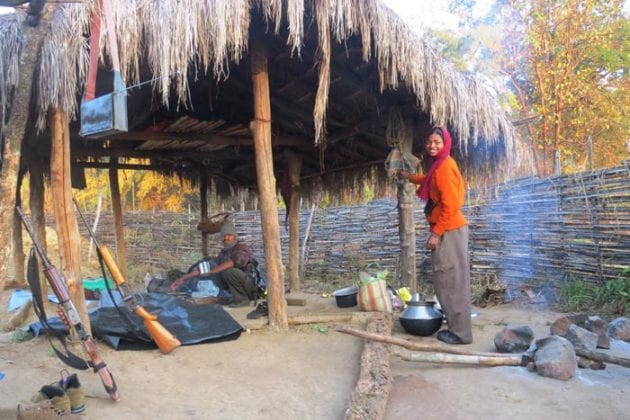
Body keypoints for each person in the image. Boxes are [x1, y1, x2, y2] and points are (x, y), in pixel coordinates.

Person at [399, 126, 472, 345]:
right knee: (447, 280)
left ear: (446, 144)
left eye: (437, 142)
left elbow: (451, 205)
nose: (432, 146)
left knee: (451, 281)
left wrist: (436, 233)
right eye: (430, 142)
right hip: (448, 229)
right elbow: (430, 181)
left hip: (449, 230)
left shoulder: (445, 167)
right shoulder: (440, 165)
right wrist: (411, 177)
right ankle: (457, 328)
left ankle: (460, 334)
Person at [170, 219, 259, 307]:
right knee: (211, 274)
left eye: (229, 235)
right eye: (224, 236)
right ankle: (232, 297)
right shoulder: (223, 254)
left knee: (228, 272)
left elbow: (236, 261)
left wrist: (213, 271)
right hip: (236, 288)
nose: (226, 238)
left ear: (235, 236)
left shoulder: (242, 248)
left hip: (250, 287)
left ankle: (242, 300)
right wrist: (182, 279)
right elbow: (205, 267)